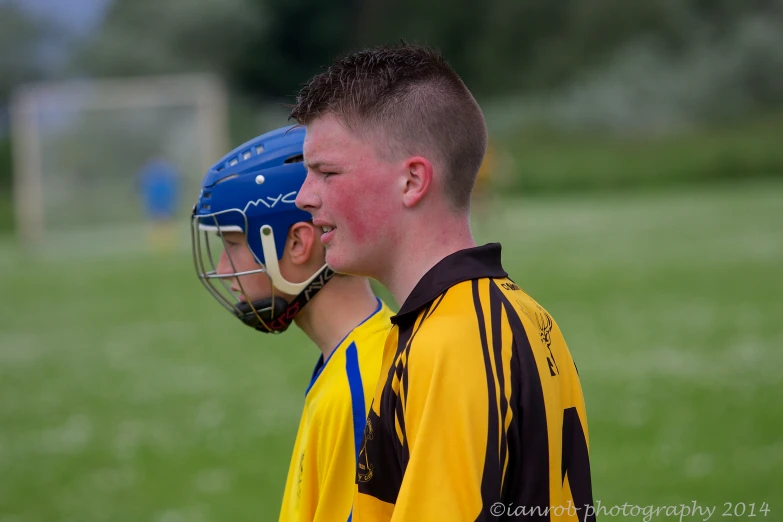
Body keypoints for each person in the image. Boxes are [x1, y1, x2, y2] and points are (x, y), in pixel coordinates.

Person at [291, 44, 595, 521]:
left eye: (326, 172)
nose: (305, 197)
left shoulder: (453, 343)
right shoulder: (509, 315)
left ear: (413, 181)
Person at [191, 125, 394, 522]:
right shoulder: (353, 357)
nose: (221, 269)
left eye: (232, 244)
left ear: (298, 244)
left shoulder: (361, 389)